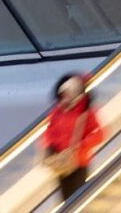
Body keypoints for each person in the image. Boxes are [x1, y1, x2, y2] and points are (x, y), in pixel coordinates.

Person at [39, 73, 103, 205]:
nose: (64, 97)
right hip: (62, 162)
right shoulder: (57, 112)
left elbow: (100, 133)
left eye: (67, 93)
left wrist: (82, 144)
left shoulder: (86, 112)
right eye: (62, 94)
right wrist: (50, 146)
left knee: (78, 200)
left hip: (79, 162)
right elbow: (49, 132)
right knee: (65, 201)